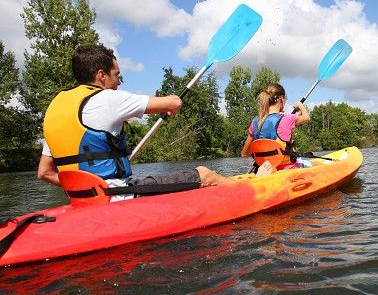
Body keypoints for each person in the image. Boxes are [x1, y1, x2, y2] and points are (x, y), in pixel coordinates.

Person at [38, 44, 272, 200]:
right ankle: (254, 189)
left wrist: (87, 189)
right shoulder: (106, 98)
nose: (118, 81)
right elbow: (173, 103)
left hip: (84, 200)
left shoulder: (55, 109)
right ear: (101, 75)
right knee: (204, 173)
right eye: (116, 75)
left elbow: (45, 173)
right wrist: (171, 105)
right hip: (117, 196)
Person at [240, 83, 310, 170]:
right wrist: (300, 105)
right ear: (281, 99)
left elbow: (244, 154)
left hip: (264, 171)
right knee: (307, 163)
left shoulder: (255, 122)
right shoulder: (287, 118)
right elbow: (306, 117)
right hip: (287, 170)